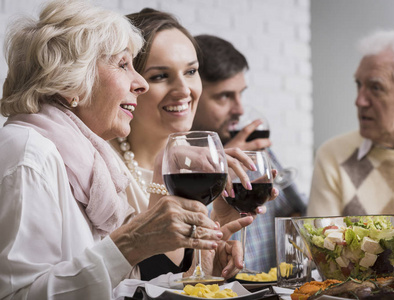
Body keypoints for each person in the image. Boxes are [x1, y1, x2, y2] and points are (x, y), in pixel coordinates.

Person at [0, 1, 247, 298]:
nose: (139, 83)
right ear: (71, 84)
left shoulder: (91, 164)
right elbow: (17, 295)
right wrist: (128, 245)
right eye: (122, 64)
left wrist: (204, 265)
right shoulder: (30, 156)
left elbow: (116, 290)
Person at [109, 9, 278, 281]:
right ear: (132, 83)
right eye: (160, 76)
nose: (184, 90)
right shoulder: (100, 171)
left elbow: (178, 283)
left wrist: (213, 249)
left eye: (191, 71)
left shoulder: (194, 173)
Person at [191, 34, 308, 272]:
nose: (240, 109)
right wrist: (219, 164)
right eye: (224, 96)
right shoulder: (178, 164)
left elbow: (294, 214)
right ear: (192, 93)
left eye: (240, 93)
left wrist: (294, 275)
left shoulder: (255, 150)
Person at [307, 30, 394, 217]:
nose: (359, 101)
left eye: (376, 88)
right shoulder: (332, 155)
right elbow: (319, 244)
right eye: (359, 84)